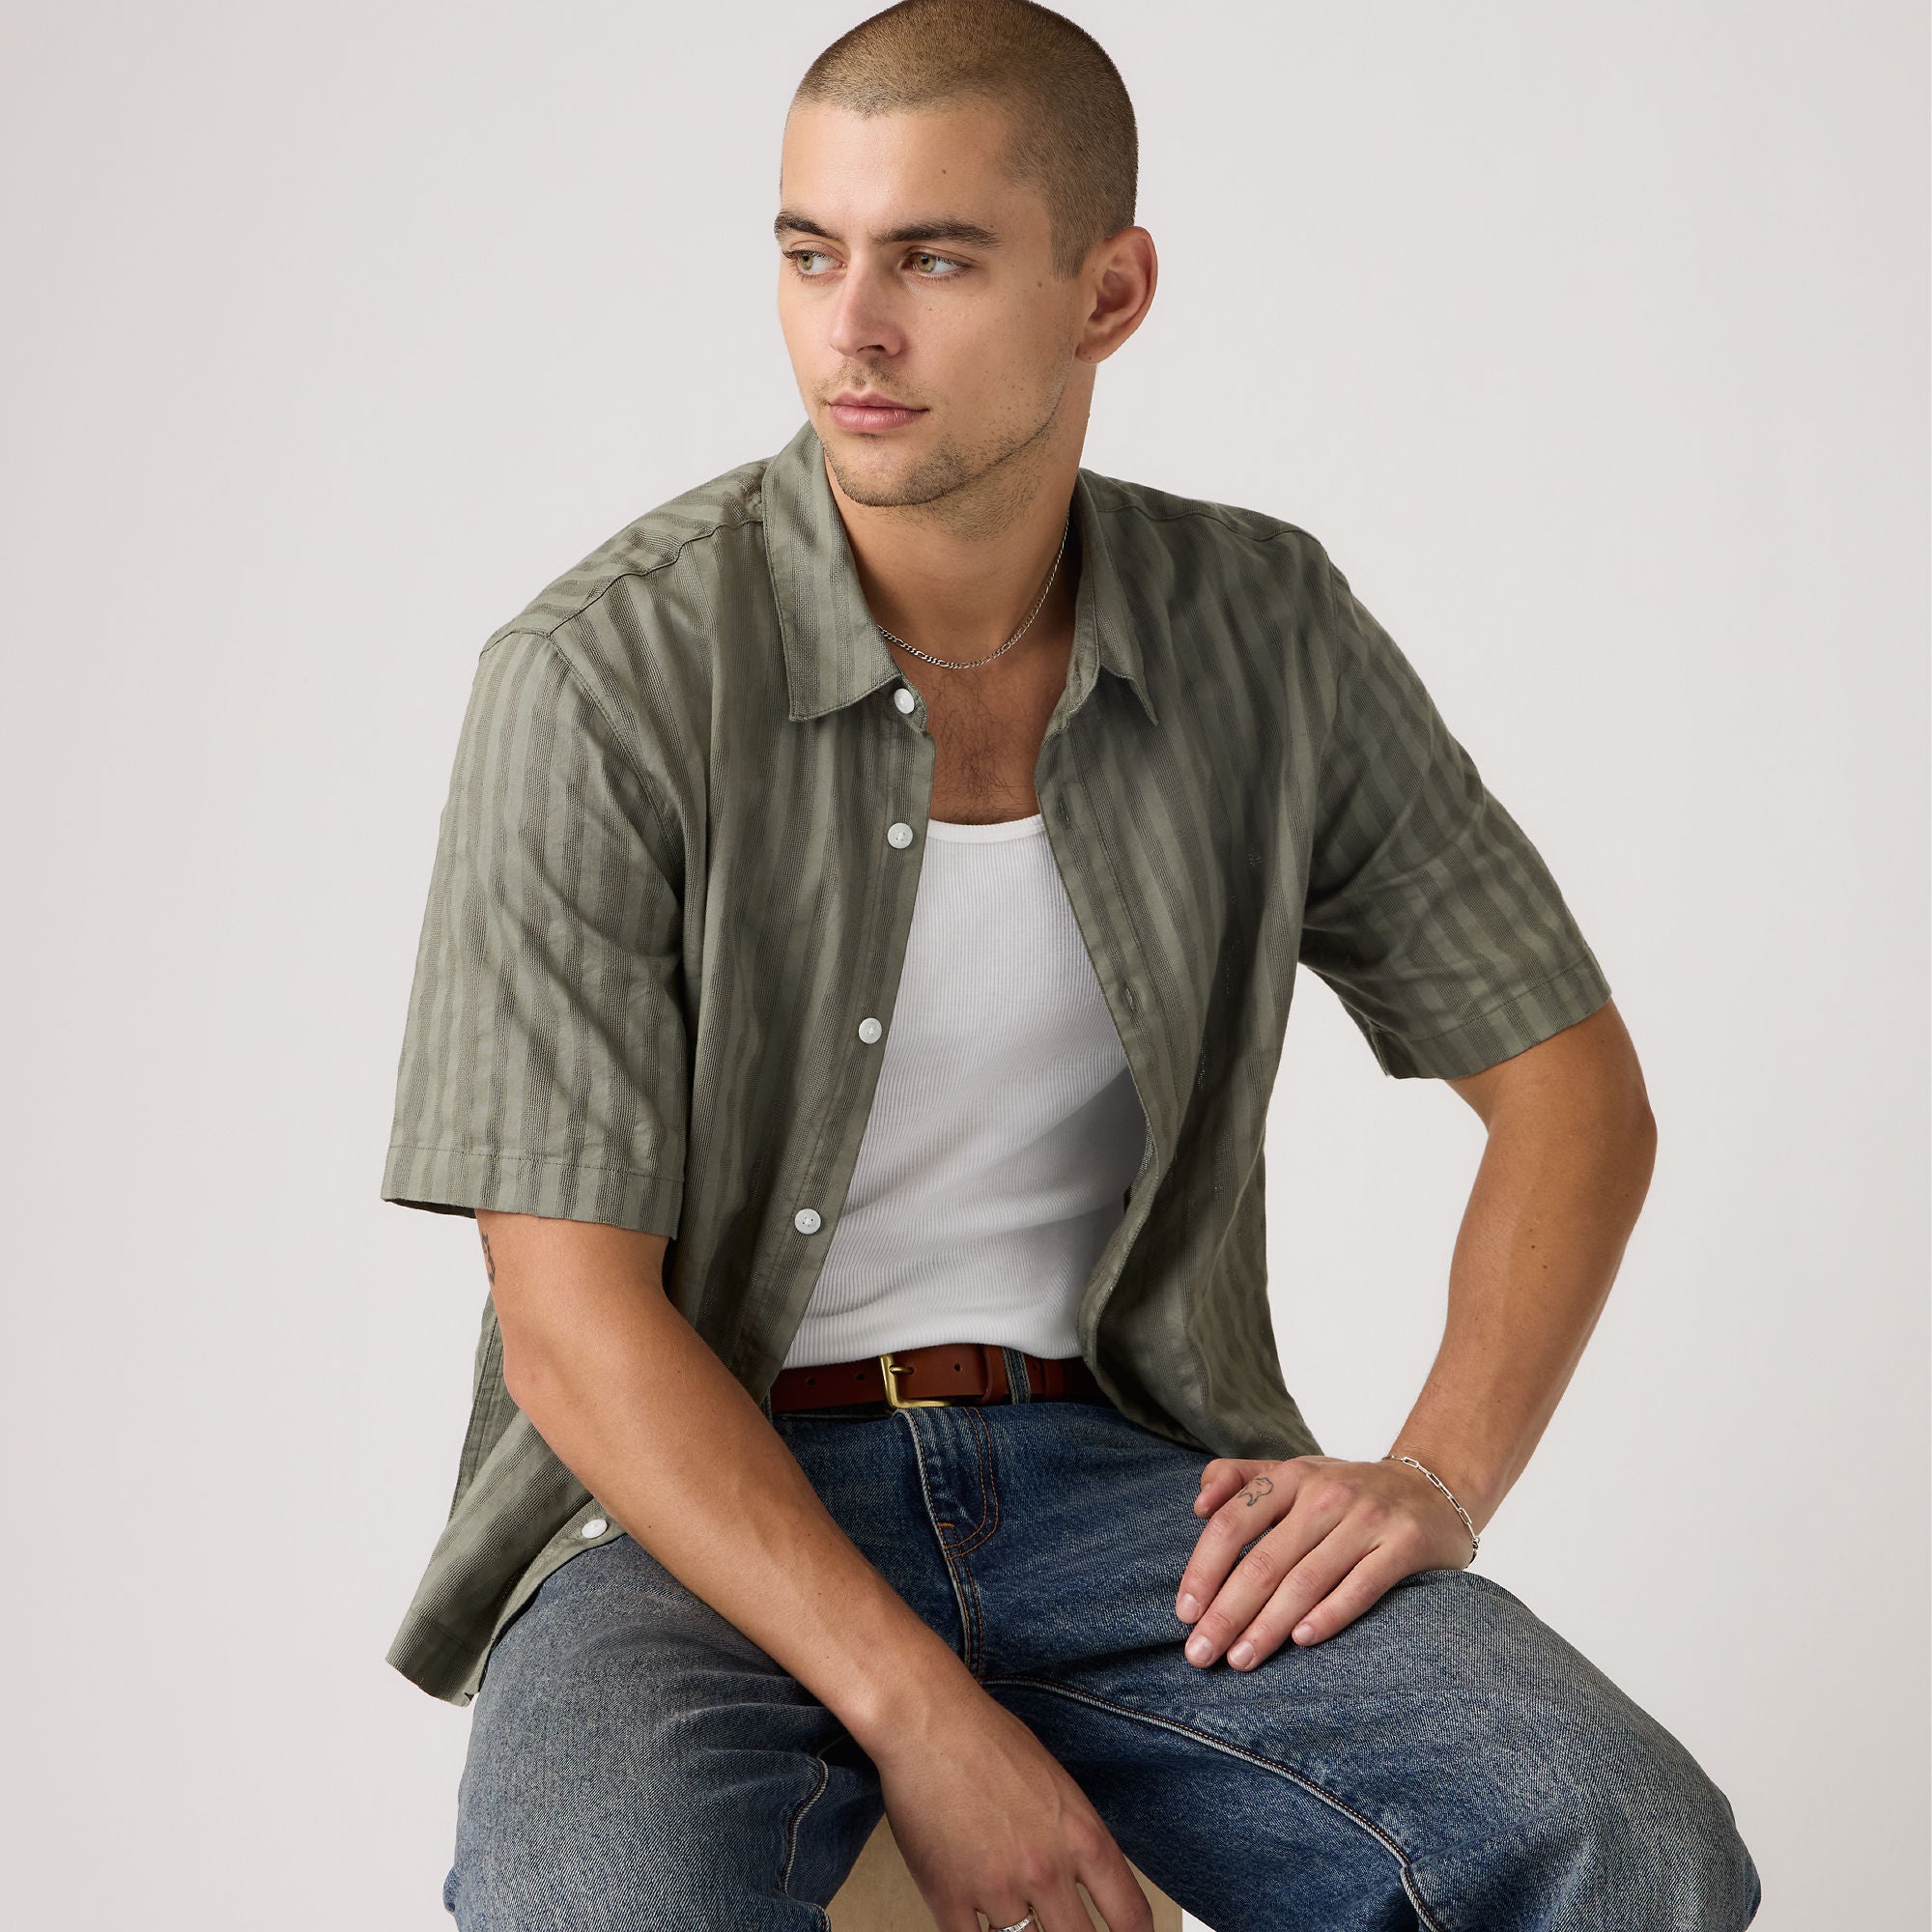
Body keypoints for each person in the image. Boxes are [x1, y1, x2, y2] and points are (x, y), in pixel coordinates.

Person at [376, 4, 1763, 1926]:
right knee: (604, 1905)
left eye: (933, 261)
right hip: (686, 1517)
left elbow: (1572, 1094)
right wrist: (924, 1716)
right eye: (810, 253)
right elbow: (569, 1325)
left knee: (1619, 1837)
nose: (852, 331)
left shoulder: (1263, 633)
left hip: (1129, 1488)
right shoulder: (601, 680)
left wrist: (1434, 1478)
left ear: (1107, 293)